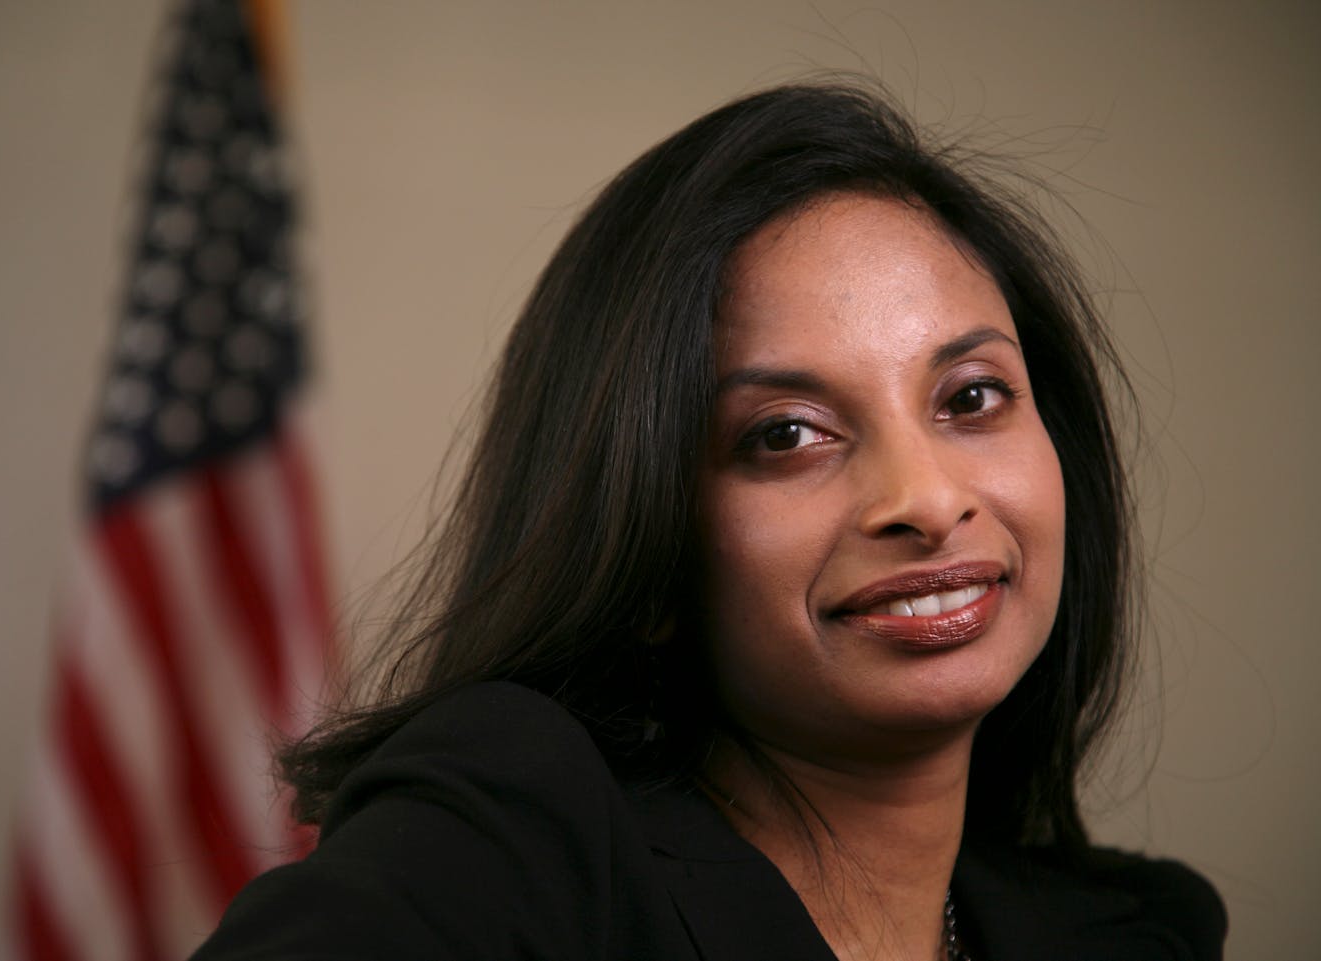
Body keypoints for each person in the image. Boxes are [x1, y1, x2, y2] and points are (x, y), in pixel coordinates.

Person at [191, 81, 1225, 960]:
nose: (923, 498)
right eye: (785, 434)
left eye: (968, 397)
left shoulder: (1143, 929)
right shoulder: (508, 831)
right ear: (643, 535)